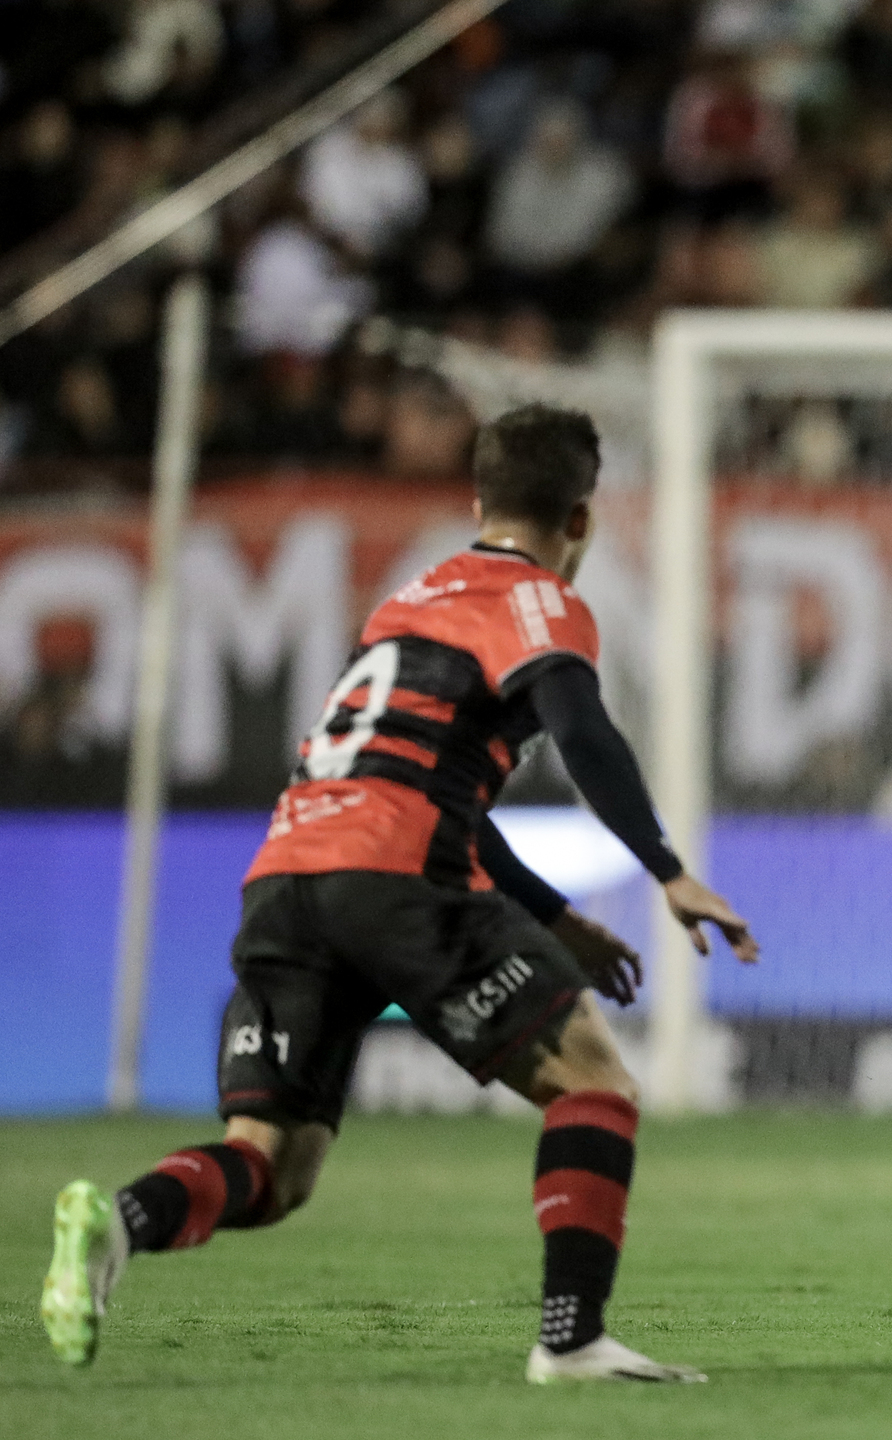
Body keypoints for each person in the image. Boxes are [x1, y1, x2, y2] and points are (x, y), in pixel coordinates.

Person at [42, 404, 758, 1383]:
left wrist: (553, 919)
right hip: (395, 879)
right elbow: (583, 728)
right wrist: (667, 868)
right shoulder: (539, 600)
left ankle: (121, 1221)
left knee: (271, 1165)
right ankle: (572, 1339)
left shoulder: (405, 605)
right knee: (594, 1083)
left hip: (285, 882)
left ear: (476, 501)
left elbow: (428, 786)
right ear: (580, 522)